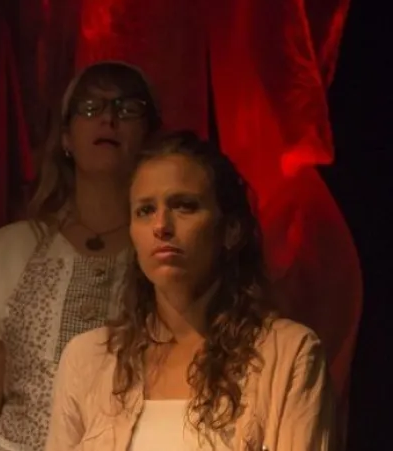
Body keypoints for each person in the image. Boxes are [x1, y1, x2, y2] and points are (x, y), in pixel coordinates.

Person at [45, 131, 335, 450]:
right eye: (145, 210)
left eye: (184, 206)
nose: (161, 226)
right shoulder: (89, 359)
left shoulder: (289, 354)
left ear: (230, 230)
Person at [0, 61, 163, 450]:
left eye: (128, 109)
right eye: (90, 107)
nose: (108, 119)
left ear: (149, 137)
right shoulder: (5, 253)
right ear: (66, 138)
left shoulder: (167, 255)